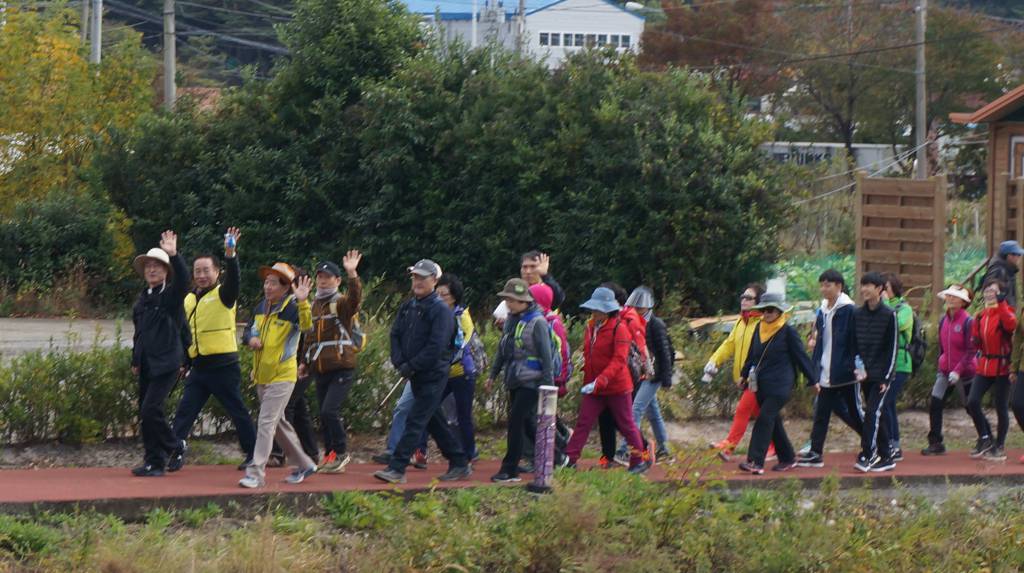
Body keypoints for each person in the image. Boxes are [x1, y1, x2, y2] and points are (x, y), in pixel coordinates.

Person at [374, 260, 472, 484]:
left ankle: (397, 468)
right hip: (415, 373)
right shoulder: (408, 306)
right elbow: (395, 334)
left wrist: (412, 365)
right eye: (414, 277)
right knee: (432, 420)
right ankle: (458, 462)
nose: (417, 281)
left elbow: (436, 346)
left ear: (434, 280)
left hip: (433, 374)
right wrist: (400, 361)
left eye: (422, 277)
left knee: (416, 420)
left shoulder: (441, 311)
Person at [168, 227, 257, 472]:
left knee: (236, 410)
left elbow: (235, 280)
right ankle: (175, 451)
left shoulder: (224, 294)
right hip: (199, 367)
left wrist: (231, 255)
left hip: (223, 365)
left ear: (217, 272)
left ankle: (253, 453)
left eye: (207, 270)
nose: (201, 275)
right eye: (197, 271)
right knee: (185, 411)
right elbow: (186, 334)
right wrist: (184, 361)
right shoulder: (188, 299)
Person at [238, 262, 318, 488]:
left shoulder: (292, 308)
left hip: (283, 375)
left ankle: (255, 473)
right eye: (266, 281)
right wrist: (250, 339)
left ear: (286, 287)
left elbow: (307, 327)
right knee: (278, 423)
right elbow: (249, 331)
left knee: (265, 422)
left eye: (273, 282)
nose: (268, 286)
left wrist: (303, 301)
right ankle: (305, 464)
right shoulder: (261, 307)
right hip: (262, 375)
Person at [563, 287, 651, 474]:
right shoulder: (590, 327)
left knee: (626, 425)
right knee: (584, 422)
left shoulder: (620, 329)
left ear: (609, 309)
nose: (595, 312)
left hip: (617, 387)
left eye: (599, 309)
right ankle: (570, 459)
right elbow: (589, 354)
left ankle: (638, 460)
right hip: (595, 387)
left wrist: (600, 380)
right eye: (593, 308)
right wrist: (586, 374)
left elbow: (619, 360)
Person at [130, 231, 190, 477]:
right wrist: (135, 359)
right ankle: (154, 462)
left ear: (166, 272)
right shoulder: (142, 300)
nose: (152, 270)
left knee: (151, 409)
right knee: (145, 414)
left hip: (167, 363)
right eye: (148, 267)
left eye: (157, 267)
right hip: (146, 364)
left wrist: (174, 255)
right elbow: (139, 334)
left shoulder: (171, 298)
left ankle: (176, 445)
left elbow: (184, 282)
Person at [737, 293, 816, 475]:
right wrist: (743, 375)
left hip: (781, 384)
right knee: (773, 421)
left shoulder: (788, 331)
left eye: (771, 310)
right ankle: (788, 457)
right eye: (764, 310)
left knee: (764, 418)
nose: (767, 313)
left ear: (779, 311)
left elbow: (801, 357)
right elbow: (752, 355)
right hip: (761, 385)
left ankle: (755, 461)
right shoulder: (758, 329)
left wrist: (813, 380)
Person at [299, 251, 363, 474]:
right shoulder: (314, 304)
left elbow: (355, 300)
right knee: (323, 415)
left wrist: (352, 274)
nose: (323, 280)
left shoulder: (341, 303)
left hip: (342, 366)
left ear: (337, 280)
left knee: (329, 411)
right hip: (320, 367)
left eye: (328, 276)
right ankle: (330, 455)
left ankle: (342, 453)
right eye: (320, 276)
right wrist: (304, 363)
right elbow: (309, 335)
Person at [486, 279, 554, 482]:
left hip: (532, 383)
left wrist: (548, 387)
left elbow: (546, 356)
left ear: (524, 301)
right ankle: (555, 456)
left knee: (515, 421)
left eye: (512, 300)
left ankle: (509, 469)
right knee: (526, 422)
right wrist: (492, 375)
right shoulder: (511, 320)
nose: (508, 303)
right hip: (514, 380)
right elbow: (502, 349)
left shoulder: (538, 322)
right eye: (507, 299)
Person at [797, 269, 862, 468]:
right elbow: (819, 342)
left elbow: (857, 341)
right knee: (821, 413)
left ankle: (875, 444)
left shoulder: (850, 310)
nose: (824, 289)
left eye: (828, 285)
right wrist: (815, 372)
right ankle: (816, 453)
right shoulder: (823, 310)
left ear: (839, 286)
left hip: (846, 373)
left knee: (855, 412)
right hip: (826, 372)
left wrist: (856, 366)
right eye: (822, 284)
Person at [704, 284, 777, 461]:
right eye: (742, 296)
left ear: (758, 302)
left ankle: (729, 447)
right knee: (761, 414)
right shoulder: (741, 322)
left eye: (748, 297)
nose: (743, 300)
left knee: (743, 410)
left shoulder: (762, 324)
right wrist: (714, 361)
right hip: (746, 379)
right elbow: (728, 344)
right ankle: (774, 446)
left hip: (758, 379)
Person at [615, 286, 674, 462]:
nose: (636, 310)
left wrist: (666, 378)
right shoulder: (630, 322)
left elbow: (665, 352)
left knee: (636, 410)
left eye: (639, 308)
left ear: (649, 307)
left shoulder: (656, 325)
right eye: (633, 307)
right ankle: (664, 449)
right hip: (640, 374)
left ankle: (625, 449)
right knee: (653, 412)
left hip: (653, 374)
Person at [922, 284, 979, 455]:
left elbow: (972, 350)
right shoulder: (943, 320)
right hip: (945, 371)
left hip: (966, 372)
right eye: (948, 295)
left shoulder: (968, 321)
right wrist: (942, 362)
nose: (950, 299)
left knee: (970, 406)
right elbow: (942, 347)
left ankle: (985, 437)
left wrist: (958, 370)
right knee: (936, 402)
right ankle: (935, 442)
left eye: (955, 296)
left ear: (963, 302)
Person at [597, 282, 649, 468]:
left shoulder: (628, 319)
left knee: (622, 419)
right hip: (607, 377)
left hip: (625, 379)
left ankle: (643, 450)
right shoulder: (602, 319)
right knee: (605, 418)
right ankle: (607, 458)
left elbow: (638, 349)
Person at [852, 272, 899, 473]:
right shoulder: (857, 314)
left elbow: (893, 348)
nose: (864, 290)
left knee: (872, 413)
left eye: (868, 285)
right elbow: (854, 345)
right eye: (862, 286)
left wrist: (886, 378)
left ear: (879, 289)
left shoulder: (890, 315)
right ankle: (887, 456)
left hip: (882, 377)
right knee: (874, 414)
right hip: (863, 375)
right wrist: (856, 367)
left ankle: (868, 455)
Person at [967, 278, 1016, 461]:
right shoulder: (980, 316)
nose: (989, 294)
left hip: (1002, 367)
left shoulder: (1006, 312)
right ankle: (985, 437)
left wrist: (1002, 303)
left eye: (993, 291)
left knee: (1000, 406)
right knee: (972, 402)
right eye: (987, 291)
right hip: (984, 365)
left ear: (1001, 293)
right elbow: (977, 339)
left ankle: (1000, 445)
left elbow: (1011, 325)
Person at [881, 273, 913, 461]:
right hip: (885, 363)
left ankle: (894, 444)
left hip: (900, 363)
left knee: (886, 402)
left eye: (886, 287)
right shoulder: (881, 307)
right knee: (888, 404)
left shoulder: (904, 308)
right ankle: (892, 443)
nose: (883, 291)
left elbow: (896, 324)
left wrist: (884, 304)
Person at [981, 240, 1023, 308]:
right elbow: (990, 292)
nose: (1019, 257)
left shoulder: (1008, 268)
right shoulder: (998, 270)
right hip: (1001, 315)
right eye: (1018, 254)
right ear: (1009, 255)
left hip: (1007, 313)